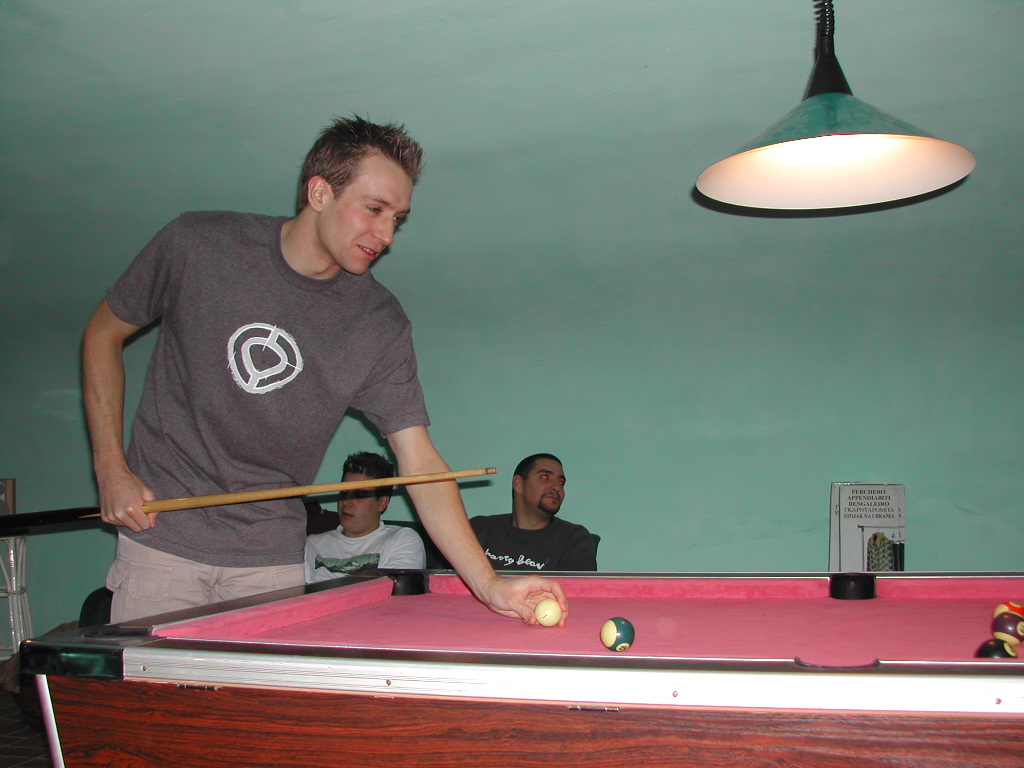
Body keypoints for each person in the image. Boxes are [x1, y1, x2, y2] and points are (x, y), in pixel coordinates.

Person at [82, 115, 566, 625]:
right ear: (319, 193)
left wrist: (489, 584)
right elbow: (101, 335)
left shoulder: (378, 323)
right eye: (374, 209)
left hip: (270, 558)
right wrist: (111, 469)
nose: (386, 235)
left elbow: (420, 462)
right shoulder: (197, 244)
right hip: (162, 541)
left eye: (397, 219)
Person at [305, 451, 425, 581]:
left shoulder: (401, 539)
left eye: (359, 495)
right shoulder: (311, 544)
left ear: (382, 503)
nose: (346, 502)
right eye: (344, 493)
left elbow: (395, 589)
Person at [470, 453, 597, 571]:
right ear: (518, 484)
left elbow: (577, 587)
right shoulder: (479, 528)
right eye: (545, 477)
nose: (556, 487)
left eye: (561, 482)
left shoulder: (573, 538)